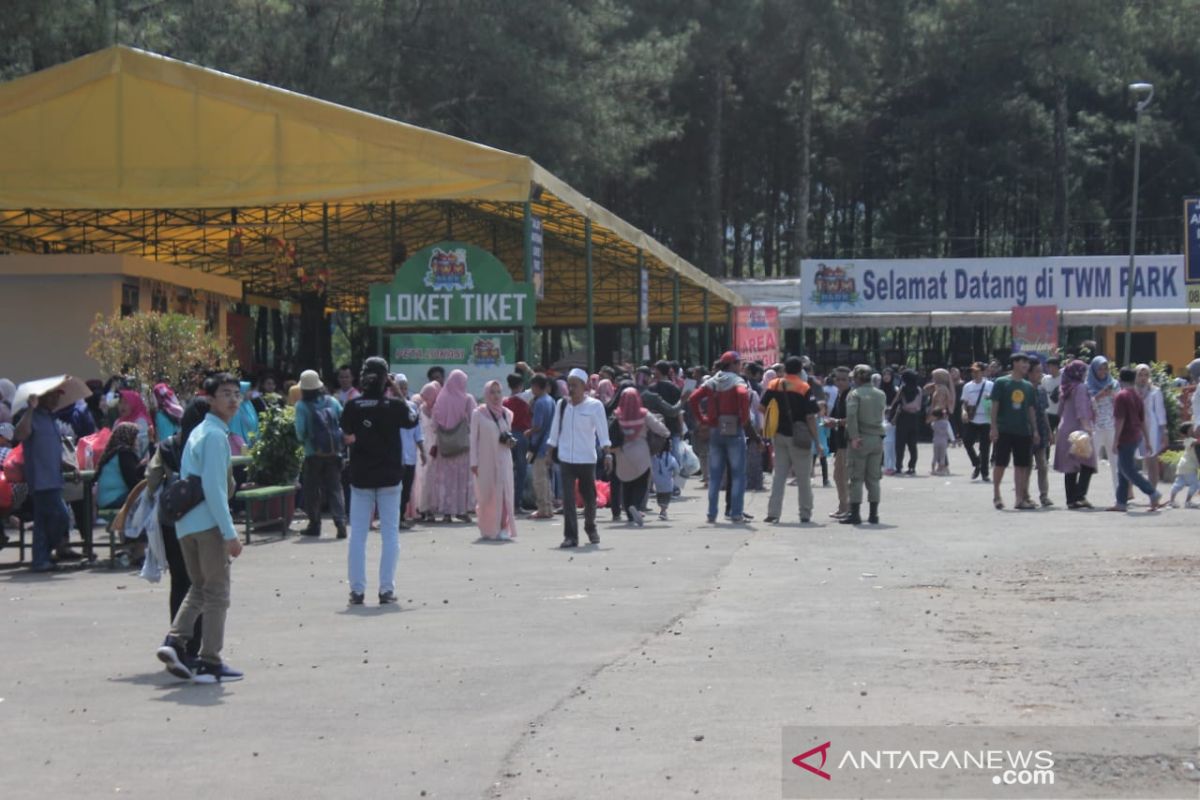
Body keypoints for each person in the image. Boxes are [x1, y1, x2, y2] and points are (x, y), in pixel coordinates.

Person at [154, 373, 244, 683]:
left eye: (236, 393)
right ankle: (210, 660)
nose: (232, 399)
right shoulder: (216, 436)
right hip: (207, 524)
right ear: (210, 399)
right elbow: (216, 489)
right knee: (217, 594)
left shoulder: (198, 432)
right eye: (225, 393)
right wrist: (230, 533)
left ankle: (175, 641)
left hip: (185, 524)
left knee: (199, 588)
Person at [340, 358, 419, 605]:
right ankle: (386, 589)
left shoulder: (353, 406)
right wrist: (395, 391)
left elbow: (347, 430)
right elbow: (413, 417)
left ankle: (357, 590)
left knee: (358, 536)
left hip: (361, 476)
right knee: (390, 535)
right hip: (390, 477)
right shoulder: (394, 406)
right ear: (387, 379)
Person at [146, 397, 210, 661]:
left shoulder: (167, 446)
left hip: (171, 520)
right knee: (203, 585)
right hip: (202, 521)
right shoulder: (208, 444)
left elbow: (151, 482)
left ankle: (179, 641)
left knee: (180, 582)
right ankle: (192, 645)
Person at [14, 386, 81, 571]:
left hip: (54, 478)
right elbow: (20, 434)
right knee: (60, 516)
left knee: (43, 521)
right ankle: (44, 554)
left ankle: (41, 559)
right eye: (51, 396)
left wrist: (68, 465)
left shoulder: (52, 420)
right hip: (41, 480)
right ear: (41, 398)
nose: (55, 400)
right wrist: (30, 409)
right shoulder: (32, 417)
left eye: (56, 397)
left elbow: (52, 450)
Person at [547, 368, 612, 547]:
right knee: (568, 498)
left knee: (589, 497)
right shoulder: (561, 405)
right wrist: (549, 451)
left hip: (587, 459)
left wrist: (607, 454)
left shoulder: (594, 406)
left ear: (584, 386)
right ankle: (571, 536)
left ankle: (590, 527)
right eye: (569, 385)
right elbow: (554, 430)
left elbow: (603, 432)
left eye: (575, 385)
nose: (571, 388)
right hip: (566, 458)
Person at [687, 352, 755, 524]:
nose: (740, 366)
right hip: (734, 429)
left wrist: (703, 419)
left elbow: (693, 398)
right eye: (739, 363)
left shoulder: (712, 381)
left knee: (715, 475)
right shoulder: (737, 381)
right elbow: (742, 394)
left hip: (715, 429)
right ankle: (736, 513)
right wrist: (744, 418)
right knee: (738, 474)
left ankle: (712, 514)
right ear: (732, 364)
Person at [761, 356, 819, 524]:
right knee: (803, 478)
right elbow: (810, 416)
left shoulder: (774, 384)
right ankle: (805, 513)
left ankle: (773, 513)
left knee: (779, 475)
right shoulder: (804, 387)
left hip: (778, 435)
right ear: (801, 370)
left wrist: (774, 420)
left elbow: (761, 407)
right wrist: (818, 441)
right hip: (799, 437)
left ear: (785, 369)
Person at [293, 369, 347, 539]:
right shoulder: (332, 401)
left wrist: (306, 442)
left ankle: (314, 524)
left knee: (312, 490)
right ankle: (340, 522)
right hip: (334, 452)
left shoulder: (301, 405)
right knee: (335, 488)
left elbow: (300, 432)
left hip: (312, 454)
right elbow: (343, 420)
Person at [610, 387, 670, 527]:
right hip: (641, 453)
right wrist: (666, 434)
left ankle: (630, 514)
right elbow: (660, 429)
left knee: (626, 483)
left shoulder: (617, 414)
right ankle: (636, 506)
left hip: (622, 454)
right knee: (642, 483)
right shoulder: (644, 414)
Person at [1109, 367, 1165, 512]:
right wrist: (1146, 440)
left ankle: (1152, 492)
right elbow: (1142, 420)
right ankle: (1121, 502)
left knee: (1128, 469)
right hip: (1136, 435)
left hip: (1126, 436)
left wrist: (1115, 440)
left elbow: (1119, 420)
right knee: (1122, 470)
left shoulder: (1121, 396)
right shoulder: (1136, 395)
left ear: (1120, 380)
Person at [989, 353, 1040, 510]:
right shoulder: (1001, 382)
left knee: (1022, 465)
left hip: (1023, 431)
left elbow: (1031, 409)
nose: (1026, 365)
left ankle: (1019, 499)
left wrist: (1035, 430)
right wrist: (993, 427)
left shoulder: (1028, 386)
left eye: (1027, 363)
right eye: (1023, 362)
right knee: (1001, 463)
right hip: (1004, 430)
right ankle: (997, 494)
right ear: (1015, 363)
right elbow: (995, 406)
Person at [470, 380, 519, 540]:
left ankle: (503, 527)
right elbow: (473, 440)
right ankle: (488, 527)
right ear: (486, 394)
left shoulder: (507, 413)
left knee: (504, 493)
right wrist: (473, 462)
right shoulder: (478, 413)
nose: (496, 396)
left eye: (498, 392)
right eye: (492, 392)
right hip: (485, 461)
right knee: (487, 495)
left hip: (504, 459)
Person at [429, 370, 476, 523]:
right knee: (461, 480)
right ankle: (462, 511)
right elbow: (473, 421)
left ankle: (446, 512)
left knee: (446, 480)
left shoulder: (440, 399)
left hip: (445, 447)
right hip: (462, 446)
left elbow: (434, 424)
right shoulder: (467, 399)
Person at [843, 364, 887, 525]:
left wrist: (854, 436)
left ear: (857, 378)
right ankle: (873, 515)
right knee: (874, 479)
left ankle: (855, 514)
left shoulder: (855, 394)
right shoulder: (880, 394)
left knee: (856, 478)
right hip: (877, 439)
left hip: (861, 439)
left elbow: (852, 416)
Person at [1054, 359, 1098, 509]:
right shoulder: (1080, 387)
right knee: (1089, 463)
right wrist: (1087, 426)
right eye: (1084, 371)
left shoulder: (1066, 387)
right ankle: (1080, 496)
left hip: (1065, 428)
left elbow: (1059, 410)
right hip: (1078, 429)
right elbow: (1081, 408)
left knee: (1070, 466)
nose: (1086, 374)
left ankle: (1071, 500)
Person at [394, 374, 426, 529]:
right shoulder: (388, 406)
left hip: (410, 456)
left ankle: (400, 517)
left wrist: (423, 452)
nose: (403, 390)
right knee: (393, 489)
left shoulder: (412, 407)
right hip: (393, 457)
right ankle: (392, 518)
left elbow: (417, 432)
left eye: (405, 387)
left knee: (406, 489)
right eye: (400, 387)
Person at [1087, 355, 1120, 499]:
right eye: (1099, 369)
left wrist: (1113, 395)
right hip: (1095, 428)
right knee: (1088, 460)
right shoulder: (1088, 385)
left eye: (1105, 368)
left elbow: (1119, 403)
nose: (1103, 371)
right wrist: (1099, 396)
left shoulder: (1114, 383)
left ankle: (1120, 493)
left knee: (1116, 462)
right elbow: (1086, 405)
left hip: (1111, 426)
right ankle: (1082, 494)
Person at [526, 375, 557, 520]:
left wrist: (528, 432)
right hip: (549, 444)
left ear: (537, 386)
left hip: (539, 446)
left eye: (533, 387)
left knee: (539, 479)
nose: (532, 390)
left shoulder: (539, 403)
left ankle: (542, 509)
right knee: (546, 478)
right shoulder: (551, 400)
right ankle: (548, 507)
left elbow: (537, 426)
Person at [96, 422, 146, 510]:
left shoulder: (114, 453)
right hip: (114, 499)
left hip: (104, 500)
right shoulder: (124, 453)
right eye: (135, 437)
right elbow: (133, 483)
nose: (137, 441)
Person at [502, 373, 532, 515]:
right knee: (521, 471)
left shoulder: (504, 401)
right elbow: (539, 381)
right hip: (522, 435)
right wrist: (526, 369)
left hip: (508, 435)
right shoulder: (525, 397)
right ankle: (516, 504)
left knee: (507, 470)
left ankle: (505, 503)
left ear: (508, 385)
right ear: (521, 385)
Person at [1135, 364, 1168, 486]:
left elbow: (1160, 412)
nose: (1143, 378)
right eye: (1140, 375)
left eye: (1146, 375)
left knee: (1152, 460)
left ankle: (1152, 491)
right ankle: (1128, 492)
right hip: (1135, 427)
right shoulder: (1132, 390)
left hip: (1151, 429)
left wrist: (1164, 431)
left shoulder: (1155, 391)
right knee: (1129, 460)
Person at [412, 381, 441, 522]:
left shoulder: (439, 409)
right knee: (421, 478)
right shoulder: (420, 409)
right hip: (423, 447)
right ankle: (421, 507)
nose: (425, 399)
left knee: (432, 478)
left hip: (435, 447)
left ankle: (431, 508)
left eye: (428, 396)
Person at [1027, 360, 1054, 507]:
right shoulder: (1024, 389)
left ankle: (1044, 495)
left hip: (1042, 431)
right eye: (1037, 371)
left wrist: (1049, 431)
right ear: (1029, 373)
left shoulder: (1042, 390)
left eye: (1041, 371)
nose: (1040, 374)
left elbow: (1044, 412)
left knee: (1042, 465)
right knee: (1026, 465)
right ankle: (1025, 495)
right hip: (1027, 432)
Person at [961, 363, 994, 481]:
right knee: (967, 442)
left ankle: (985, 473)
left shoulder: (990, 385)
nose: (974, 374)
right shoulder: (967, 386)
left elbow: (996, 402)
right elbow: (964, 403)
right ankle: (976, 463)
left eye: (977, 371)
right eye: (972, 371)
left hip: (986, 419)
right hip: (972, 418)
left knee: (985, 448)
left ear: (983, 372)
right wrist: (964, 412)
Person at [826, 367, 851, 518]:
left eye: (844, 379)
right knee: (838, 475)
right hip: (839, 441)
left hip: (848, 441)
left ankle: (847, 507)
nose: (840, 382)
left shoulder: (851, 396)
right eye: (838, 379)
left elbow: (854, 419)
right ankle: (843, 506)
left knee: (844, 476)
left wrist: (836, 422)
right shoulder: (839, 395)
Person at [891, 370, 922, 475]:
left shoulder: (903, 389)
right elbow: (918, 406)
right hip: (914, 419)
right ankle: (912, 467)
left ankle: (899, 467)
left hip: (903, 418)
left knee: (900, 445)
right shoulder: (918, 389)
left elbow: (895, 402)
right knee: (912, 445)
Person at [927, 369, 954, 475]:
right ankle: (942, 466)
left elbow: (939, 403)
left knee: (939, 446)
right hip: (941, 415)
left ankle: (942, 467)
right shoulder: (940, 387)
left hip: (939, 415)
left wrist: (933, 415)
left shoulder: (941, 389)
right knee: (941, 445)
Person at [1167, 423, 1200, 508]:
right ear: (1186, 433)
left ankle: (1171, 501)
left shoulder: (1189, 440)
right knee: (1195, 484)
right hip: (1189, 467)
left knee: (1178, 484)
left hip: (1182, 467)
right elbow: (1197, 442)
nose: (1194, 430)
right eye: (1191, 429)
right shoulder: (1189, 440)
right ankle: (1188, 501)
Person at [116, 389, 154, 457]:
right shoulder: (118, 422)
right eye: (120, 402)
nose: (122, 406)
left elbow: (143, 445)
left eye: (126, 403)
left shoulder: (140, 421)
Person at [650, 447, 679, 521]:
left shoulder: (654, 458)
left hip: (657, 482)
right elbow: (677, 469)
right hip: (668, 482)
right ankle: (663, 511)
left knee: (659, 496)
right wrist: (673, 476)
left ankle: (662, 510)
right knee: (666, 497)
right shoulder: (671, 458)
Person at [1043, 357, 1062, 436]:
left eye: (1051, 366)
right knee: (1047, 436)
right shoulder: (1045, 379)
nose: (1049, 369)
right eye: (1048, 366)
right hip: (1048, 412)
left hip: (1061, 413)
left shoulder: (1063, 378)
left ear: (1057, 366)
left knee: (1061, 437)